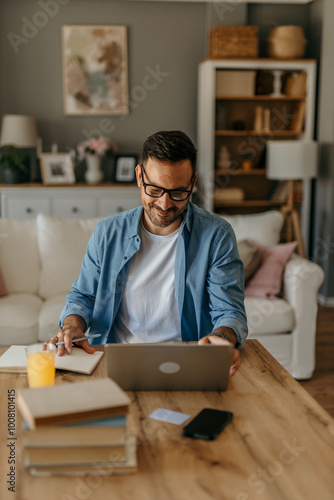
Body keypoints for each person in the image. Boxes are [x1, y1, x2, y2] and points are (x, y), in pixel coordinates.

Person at [51, 130, 248, 376]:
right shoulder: (108, 232)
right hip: (115, 357)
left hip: (188, 361)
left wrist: (223, 337)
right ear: (138, 176)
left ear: (193, 182)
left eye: (178, 192)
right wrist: (72, 325)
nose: (165, 205)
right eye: (154, 189)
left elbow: (229, 311)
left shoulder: (216, 236)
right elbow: (84, 295)